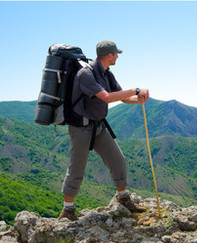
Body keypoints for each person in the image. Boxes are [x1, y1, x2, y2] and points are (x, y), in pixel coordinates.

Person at [59, 40, 149, 221]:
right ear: (110, 55)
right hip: (81, 128)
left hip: (98, 126)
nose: (117, 57)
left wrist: (138, 98)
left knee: (118, 160)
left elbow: (122, 97)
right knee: (76, 168)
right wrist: (136, 89)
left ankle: (123, 198)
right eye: (116, 54)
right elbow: (107, 97)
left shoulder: (107, 74)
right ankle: (68, 211)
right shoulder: (86, 74)